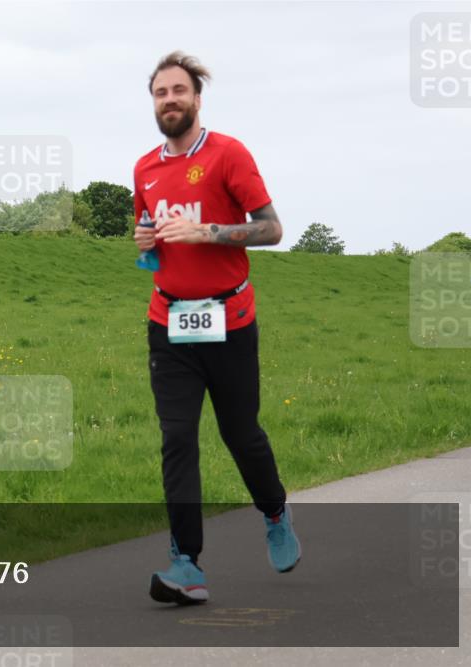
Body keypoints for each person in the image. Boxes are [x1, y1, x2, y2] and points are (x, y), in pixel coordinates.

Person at [132, 52, 301, 605]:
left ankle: (274, 512)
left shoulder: (229, 153)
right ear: (153, 102)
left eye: (179, 90)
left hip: (229, 320)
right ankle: (186, 563)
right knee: (177, 438)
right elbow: (152, 239)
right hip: (170, 322)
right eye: (161, 93)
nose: (170, 100)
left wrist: (206, 232)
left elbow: (272, 229)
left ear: (198, 99)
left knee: (241, 434)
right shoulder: (144, 168)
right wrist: (146, 246)